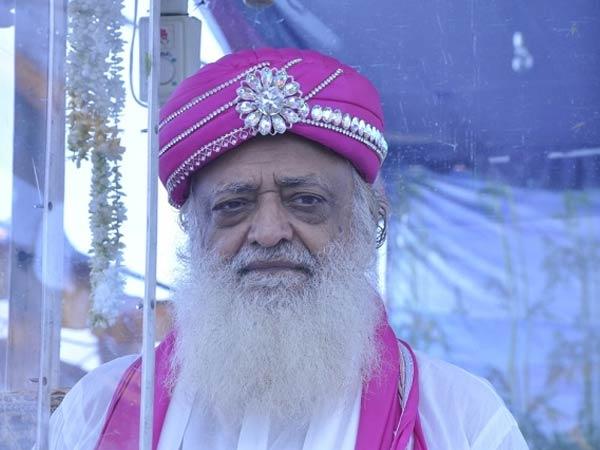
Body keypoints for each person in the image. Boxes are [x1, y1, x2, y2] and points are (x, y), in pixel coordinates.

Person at [49, 48, 529, 450]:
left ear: (369, 223)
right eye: (233, 205)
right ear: (194, 233)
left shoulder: (461, 420)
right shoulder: (96, 412)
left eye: (306, 201)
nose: (269, 231)